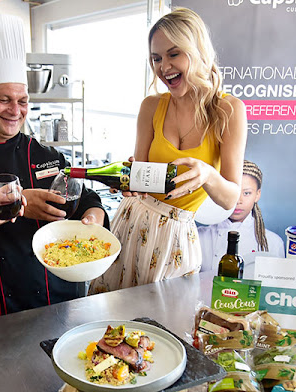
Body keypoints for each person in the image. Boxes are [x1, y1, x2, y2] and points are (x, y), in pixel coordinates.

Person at [0, 14, 108, 322]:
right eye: (4, 100)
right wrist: (20, 206)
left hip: (62, 300)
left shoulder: (46, 153)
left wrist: (92, 219)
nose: (16, 111)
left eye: (23, 101)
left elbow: (85, 199)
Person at [89, 7, 246, 293]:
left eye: (174, 54)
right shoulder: (151, 106)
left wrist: (208, 175)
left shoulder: (229, 111)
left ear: (197, 51)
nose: (163, 67)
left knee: (162, 328)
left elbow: (230, 199)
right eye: (156, 58)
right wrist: (129, 181)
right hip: (131, 223)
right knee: (111, 323)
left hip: (177, 237)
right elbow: (138, 180)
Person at [198, 160, 285, 276]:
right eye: (234, 193)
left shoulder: (273, 243)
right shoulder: (199, 237)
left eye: (246, 193)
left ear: (257, 195)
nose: (238, 201)